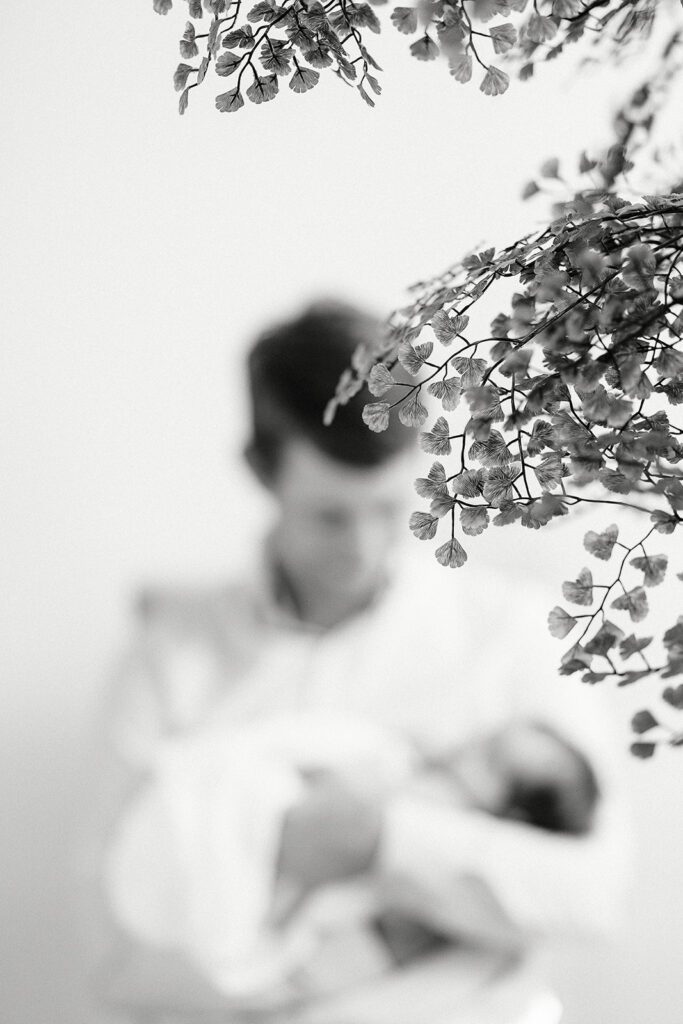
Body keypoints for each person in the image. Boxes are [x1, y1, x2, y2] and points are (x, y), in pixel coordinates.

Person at [95, 299, 630, 1024]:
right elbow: (119, 940)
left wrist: (381, 840)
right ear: (261, 471)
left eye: (385, 509)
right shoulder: (170, 658)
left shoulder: (504, 633)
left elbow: (596, 895)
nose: (364, 547)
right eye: (329, 516)